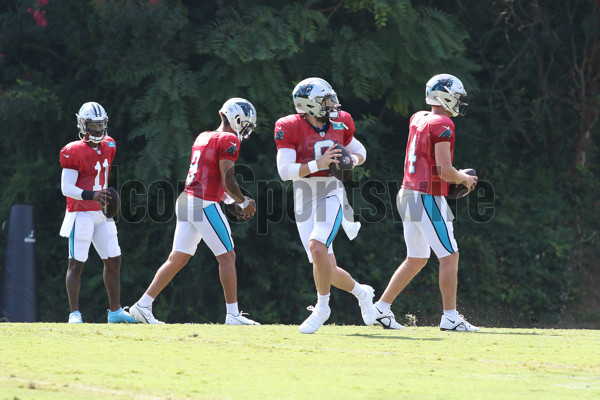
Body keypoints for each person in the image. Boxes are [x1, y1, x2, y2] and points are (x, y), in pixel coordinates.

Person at [128, 98, 260, 325]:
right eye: (246, 124)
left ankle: (143, 305)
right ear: (238, 119)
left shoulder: (203, 136)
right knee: (227, 256)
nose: (246, 129)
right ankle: (233, 315)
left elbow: (208, 177)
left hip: (186, 200)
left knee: (178, 257)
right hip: (203, 204)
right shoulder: (228, 139)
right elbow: (227, 179)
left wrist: (229, 200)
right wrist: (243, 201)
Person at [366, 74, 480, 331]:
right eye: (457, 98)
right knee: (450, 255)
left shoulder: (418, 117)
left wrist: (454, 176)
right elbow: (444, 170)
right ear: (446, 97)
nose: (459, 103)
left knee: (416, 258)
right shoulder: (443, 124)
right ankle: (450, 317)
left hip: (407, 193)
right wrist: (464, 179)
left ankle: (381, 309)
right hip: (425, 196)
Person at [274, 77, 376, 334]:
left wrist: (351, 159)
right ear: (308, 105)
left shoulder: (341, 121)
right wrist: (317, 164)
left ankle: (322, 307)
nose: (332, 105)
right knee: (325, 267)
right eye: (325, 100)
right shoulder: (289, 126)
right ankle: (362, 292)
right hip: (304, 195)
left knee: (317, 247)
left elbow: (361, 150)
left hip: (331, 191)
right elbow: (285, 171)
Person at [59, 101, 138, 324]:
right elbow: (67, 188)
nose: (97, 129)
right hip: (81, 212)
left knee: (114, 260)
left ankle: (115, 311)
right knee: (76, 263)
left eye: (100, 124)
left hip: (102, 214)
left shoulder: (110, 145)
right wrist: (91, 195)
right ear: (83, 125)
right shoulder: (72, 151)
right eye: (93, 125)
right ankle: (74, 313)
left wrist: (100, 198)